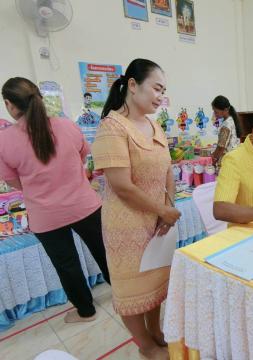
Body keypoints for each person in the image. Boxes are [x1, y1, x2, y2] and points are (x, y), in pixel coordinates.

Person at [0, 77, 110, 323]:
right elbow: (84, 156)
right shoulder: (66, 125)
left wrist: (38, 187)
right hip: (84, 204)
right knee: (105, 252)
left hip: (45, 216)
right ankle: (124, 295)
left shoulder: (4, 141)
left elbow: (13, 182)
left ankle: (86, 311)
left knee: (67, 265)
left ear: (9, 104)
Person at [91, 59, 181, 359]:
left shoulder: (155, 125)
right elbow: (122, 185)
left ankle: (156, 333)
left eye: (163, 91)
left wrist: (167, 207)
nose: (160, 96)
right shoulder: (112, 128)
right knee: (131, 291)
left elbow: (167, 168)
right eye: (156, 88)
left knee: (155, 283)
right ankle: (146, 347)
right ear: (132, 85)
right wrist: (162, 210)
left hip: (158, 220)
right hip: (126, 224)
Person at [210, 95, 241, 168]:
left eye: (216, 112)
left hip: (228, 160)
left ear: (226, 110)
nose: (214, 114)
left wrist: (214, 158)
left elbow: (221, 147)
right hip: (234, 158)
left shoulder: (226, 125)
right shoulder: (231, 120)